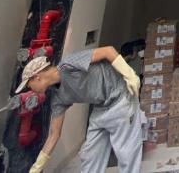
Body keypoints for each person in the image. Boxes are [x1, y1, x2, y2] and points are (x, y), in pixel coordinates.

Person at [15, 46, 143, 173]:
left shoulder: (68, 64)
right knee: (90, 156)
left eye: (29, 85)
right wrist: (37, 167)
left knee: (126, 153)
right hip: (101, 107)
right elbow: (54, 135)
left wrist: (129, 74)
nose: (31, 90)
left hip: (120, 96)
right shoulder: (57, 98)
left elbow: (107, 51)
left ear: (36, 77)